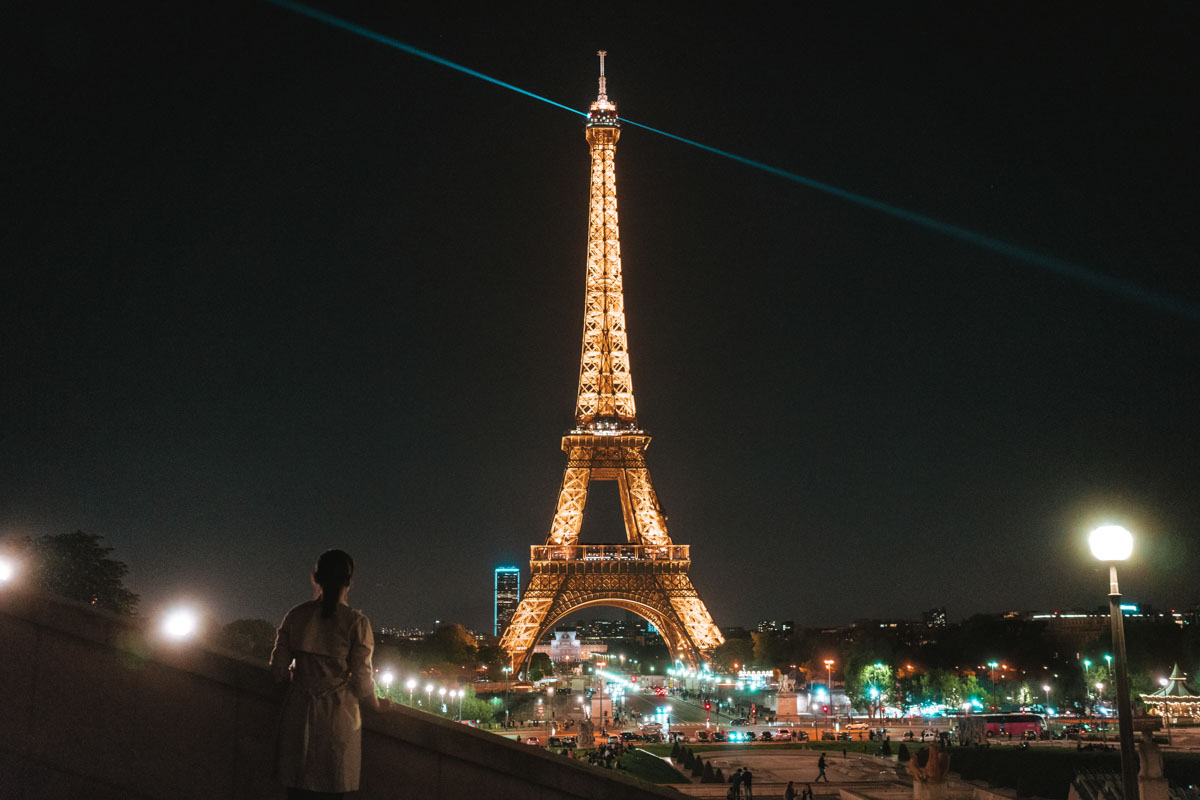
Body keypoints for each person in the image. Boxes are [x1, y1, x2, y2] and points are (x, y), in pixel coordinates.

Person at [271, 550, 379, 800]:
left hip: (297, 714)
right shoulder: (356, 623)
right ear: (348, 582)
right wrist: (377, 705)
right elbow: (363, 681)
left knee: (296, 789)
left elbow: (278, 672)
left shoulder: (296, 616)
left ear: (315, 578)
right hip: (338, 717)